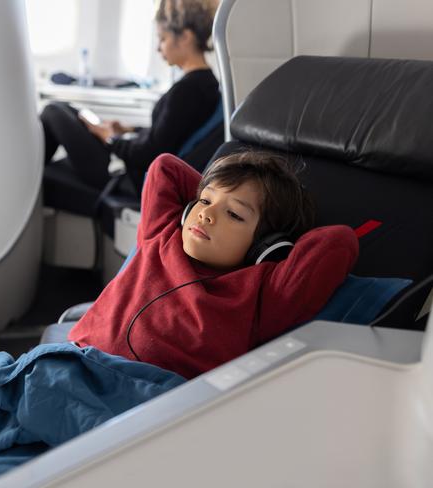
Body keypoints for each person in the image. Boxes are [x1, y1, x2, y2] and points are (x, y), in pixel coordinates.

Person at [68, 151, 359, 379]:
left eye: (234, 214)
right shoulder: (161, 232)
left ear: (264, 244)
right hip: (73, 360)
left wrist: (273, 248)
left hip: (148, 400)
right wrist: (228, 184)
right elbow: (165, 167)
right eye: (205, 200)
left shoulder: (264, 292)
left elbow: (338, 241)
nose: (206, 214)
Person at [40, 0, 221, 194]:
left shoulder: (187, 90)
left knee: (54, 111)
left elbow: (150, 153)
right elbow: (168, 134)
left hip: (132, 176)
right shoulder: (205, 83)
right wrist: (128, 129)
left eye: (163, 39)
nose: (159, 48)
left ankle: (26, 182)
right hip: (133, 164)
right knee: (71, 111)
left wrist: (111, 138)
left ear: (185, 37)